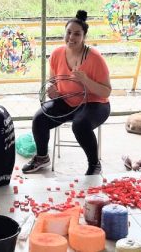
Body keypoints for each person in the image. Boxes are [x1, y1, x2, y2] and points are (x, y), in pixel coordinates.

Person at [22, 10, 112, 175]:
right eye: (69, 33)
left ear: (84, 36)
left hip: (95, 104)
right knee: (39, 118)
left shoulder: (94, 57)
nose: (71, 37)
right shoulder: (57, 54)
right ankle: (42, 158)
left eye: (77, 34)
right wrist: (53, 91)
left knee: (80, 124)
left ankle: (94, 164)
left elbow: (106, 91)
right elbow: (53, 81)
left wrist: (85, 80)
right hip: (66, 101)